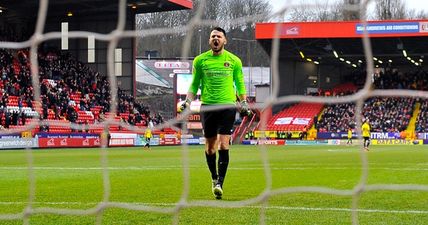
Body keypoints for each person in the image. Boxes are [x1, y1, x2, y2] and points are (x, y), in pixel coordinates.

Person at [180, 27, 250, 199]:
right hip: (208, 107)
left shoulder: (234, 61)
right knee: (210, 148)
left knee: (223, 145)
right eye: (213, 36)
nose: (216, 39)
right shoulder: (200, 61)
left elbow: (240, 84)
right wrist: (188, 101)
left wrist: (243, 102)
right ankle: (213, 177)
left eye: (219, 36)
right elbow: (194, 84)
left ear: (225, 40)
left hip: (227, 106)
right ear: (209, 41)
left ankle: (220, 182)